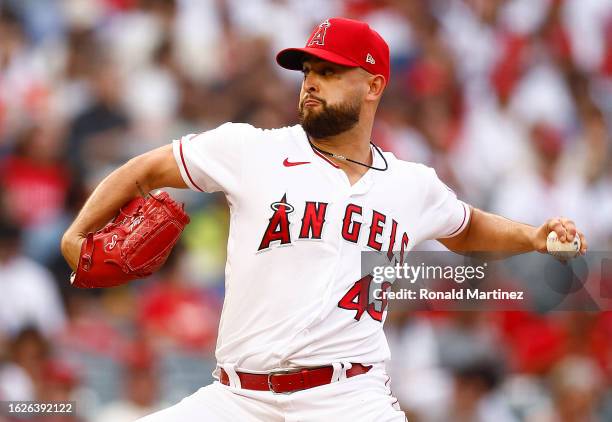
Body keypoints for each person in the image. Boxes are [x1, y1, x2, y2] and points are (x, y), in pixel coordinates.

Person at [61, 17, 587, 421]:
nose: (311, 83)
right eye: (308, 71)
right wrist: (77, 233)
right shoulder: (250, 149)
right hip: (237, 399)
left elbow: (466, 227)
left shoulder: (412, 184)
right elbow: (144, 168)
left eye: (330, 71)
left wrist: (534, 237)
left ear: (374, 85)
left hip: (348, 398)